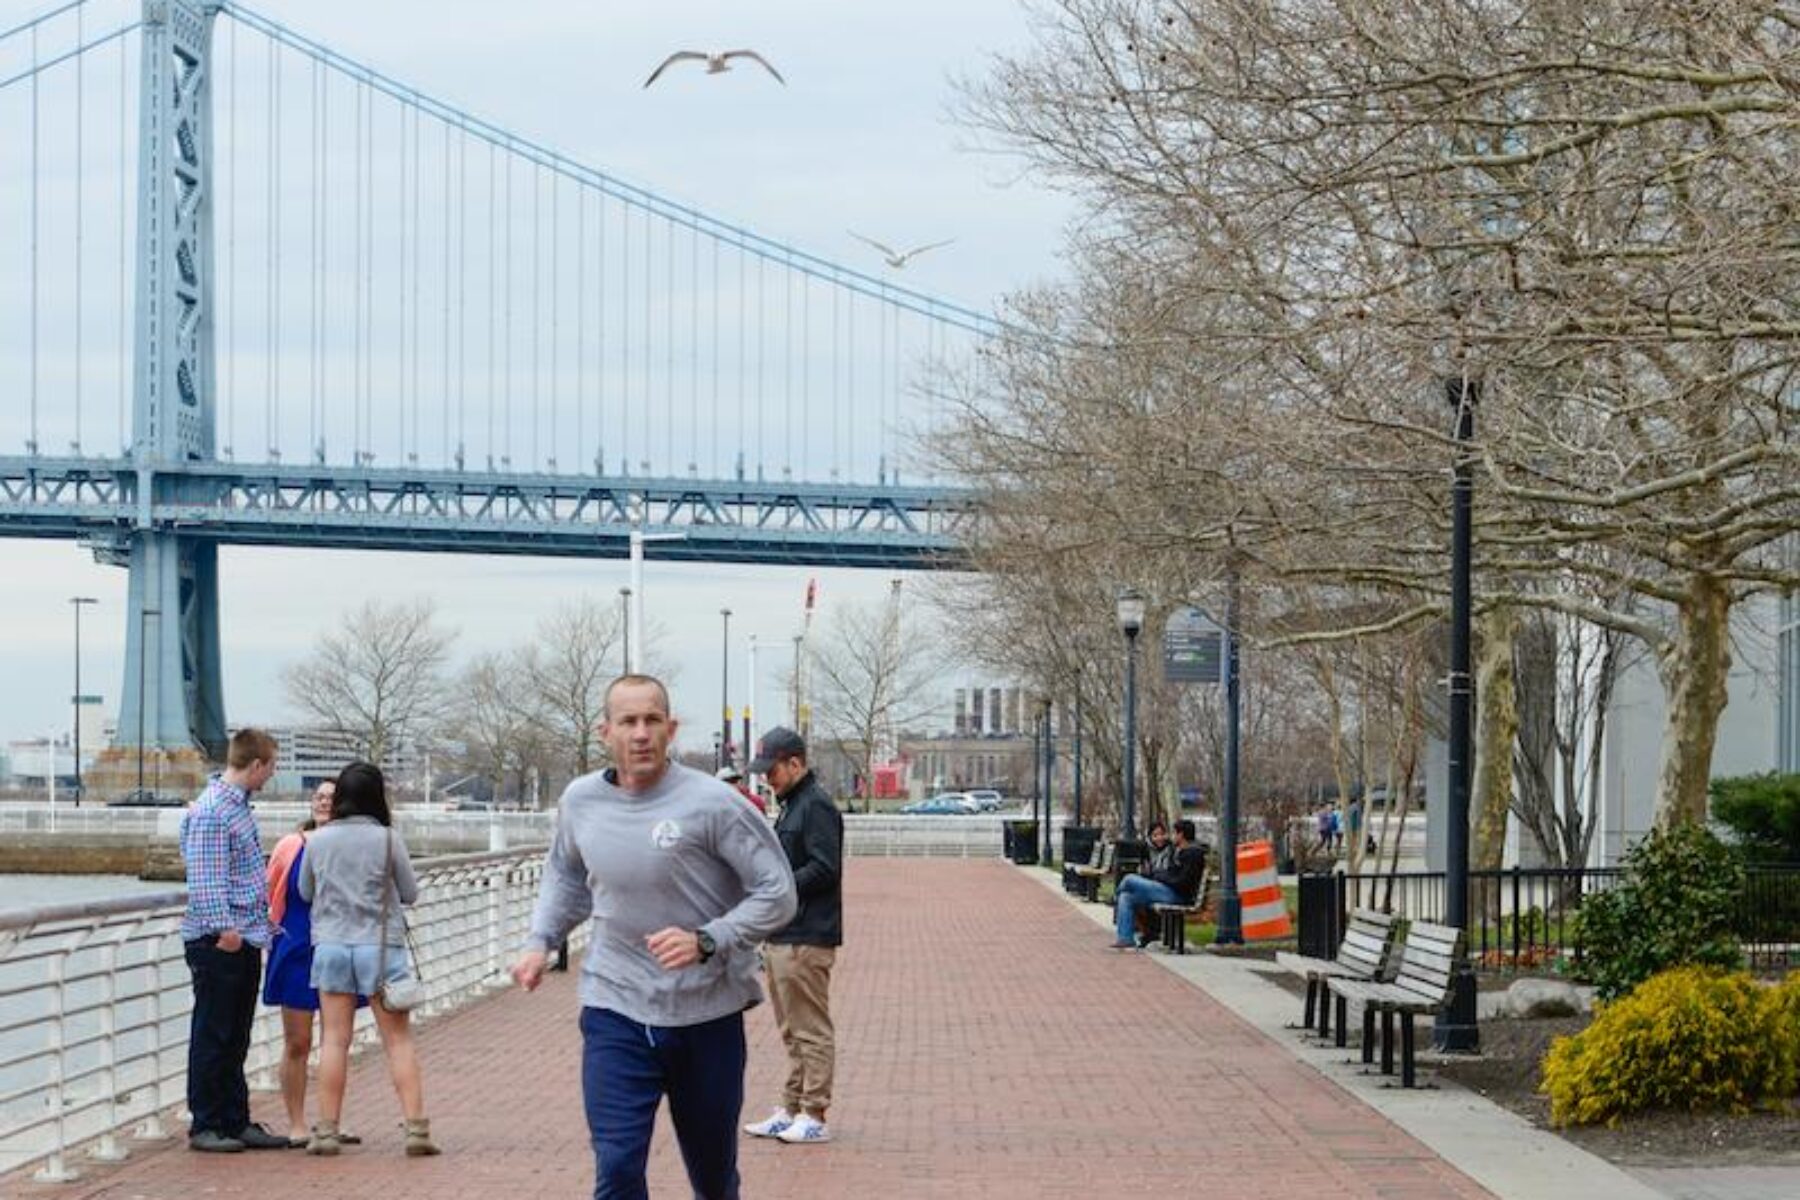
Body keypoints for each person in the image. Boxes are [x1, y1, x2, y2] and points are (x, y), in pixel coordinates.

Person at [510, 674, 797, 1200]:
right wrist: (540, 940)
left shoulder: (715, 803)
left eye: (651, 720)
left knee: (712, 1180)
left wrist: (709, 939)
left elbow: (778, 892)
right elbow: (567, 875)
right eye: (628, 721)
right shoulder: (581, 801)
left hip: (705, 1017)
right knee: (617, 1170)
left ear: (671, 728)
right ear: (606, 732)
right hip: (613, 1007)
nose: (640, 733)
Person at [298, 761, 439, 1157]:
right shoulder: (388, 839)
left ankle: (326, 1129)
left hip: (331, 946)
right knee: (397, 1040)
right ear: (377, 796)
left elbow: (305, 891)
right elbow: (410, 892)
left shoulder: (319, 839)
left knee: (333, 1040)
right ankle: (415, 1128)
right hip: (380, 948)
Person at [179, 727, 291, 1152]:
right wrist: (224, 930)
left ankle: (233, 1118)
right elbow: (206, 878)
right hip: (222, 937)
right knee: (214, 1032)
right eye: (272, 766)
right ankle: (206, 1122)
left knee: (234, 1033)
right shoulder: (214, 812)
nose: (272, 775)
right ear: (257, 764)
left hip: (243, 934)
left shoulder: (234, 808)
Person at [742, 727, 843, 1146]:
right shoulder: (794, 805)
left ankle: (814, 1112)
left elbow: (825, 867)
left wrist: (779, 886)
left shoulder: (814, 806)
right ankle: (793, 1105)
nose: (768, 778)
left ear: (795, 764)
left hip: (807, 934)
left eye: (773, 769)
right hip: (787, 932)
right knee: (791, 1028)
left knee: (809, 1028)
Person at [262, 781, 367, 1148]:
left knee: (336, 1039)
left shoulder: (351, 845)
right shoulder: (292, 845)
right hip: (295, 946)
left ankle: (330, 1119)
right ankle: (296, 1123)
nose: (324, 801)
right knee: (298, 1040)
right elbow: (272, 890)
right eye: (318, 796)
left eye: (331, 797)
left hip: (339, 946)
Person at [1109, 819, 1208, 949]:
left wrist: (1160, 877)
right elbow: (1171, 874)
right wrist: (1161, 876)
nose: (1172, 836)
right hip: (1169, 891)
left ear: (1181, 835)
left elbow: (1182, 882)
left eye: (1174, 833)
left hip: (1176, 896)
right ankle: (1126, 939)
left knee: (1129, 879)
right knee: (1126, 897)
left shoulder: (1192, 854)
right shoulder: (1181, 851)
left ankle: (1114, 897)